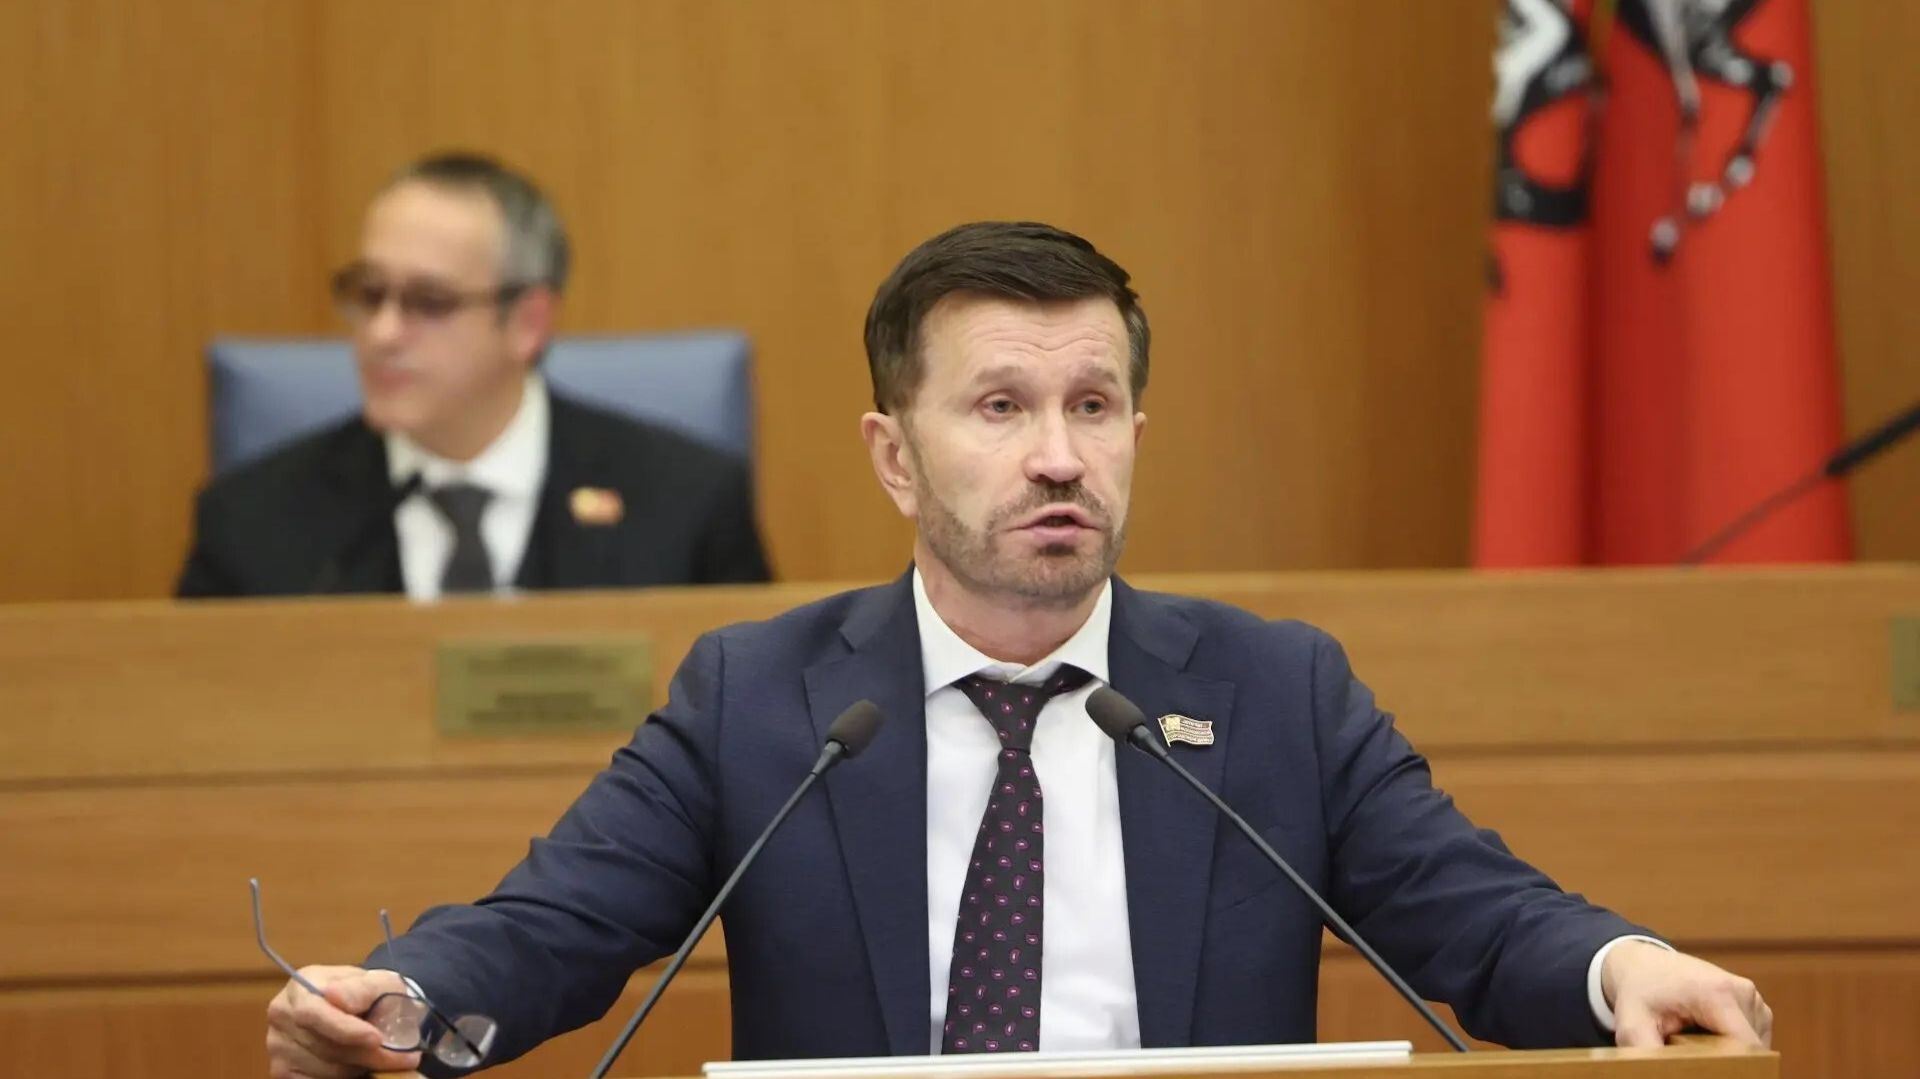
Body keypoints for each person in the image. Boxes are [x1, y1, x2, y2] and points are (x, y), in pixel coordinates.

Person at [264, 222, 1771, 1076]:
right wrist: (405, 994)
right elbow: (554, 923)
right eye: (1001, 407)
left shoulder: (1273, 689)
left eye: (1092, 406)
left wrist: (1623, 961)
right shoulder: (761, 699)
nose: (1059, 454)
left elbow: (1476, 915)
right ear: (894, 455)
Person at [177, 152, 769, 599]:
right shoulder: (251, 523)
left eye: (429, 301)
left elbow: (757, 716)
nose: (382, 333)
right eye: (370, 293)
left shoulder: (686, 505)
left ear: (529, 323)